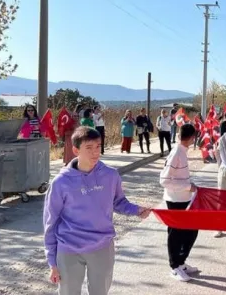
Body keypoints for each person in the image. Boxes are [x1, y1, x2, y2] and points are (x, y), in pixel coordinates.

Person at [43, 126, 151, 295]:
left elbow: (119, 202)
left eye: (98, 147)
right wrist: (52, 261)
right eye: (89, 148)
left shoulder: (110, 175)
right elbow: (51, 222)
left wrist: (136, 210)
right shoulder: (60, 183)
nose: (95, 152)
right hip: (69, 248)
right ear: (75, 150)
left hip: (102, 246)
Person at [159, 124, 200, 282]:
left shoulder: (182, 151)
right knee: (175, 233)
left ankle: (181, 262)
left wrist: (190, 185)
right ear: (191, 138)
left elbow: (180, 175)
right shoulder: (176, 152)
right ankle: (174, 266)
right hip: (175, 199)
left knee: (191, 230)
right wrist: (187, 186)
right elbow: (164, 180)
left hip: (184, 198)